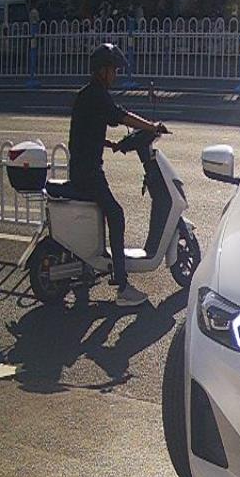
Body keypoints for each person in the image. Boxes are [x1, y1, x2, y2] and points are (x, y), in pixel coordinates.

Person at [69, 44, 169, 306]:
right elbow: (121, 116)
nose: (115, 75)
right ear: (102, 71)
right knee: (116, 214)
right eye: (113, 70)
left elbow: (86, 131)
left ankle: (91, 266)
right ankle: (122, 286)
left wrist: (111, 145)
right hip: (88, 172)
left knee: (108, 213)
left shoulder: (89, 94)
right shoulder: (97, 95)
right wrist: (152, 126)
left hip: (82, 168)